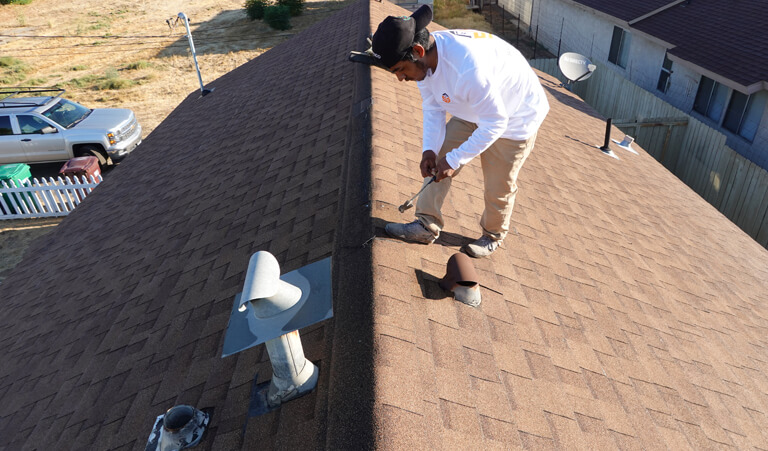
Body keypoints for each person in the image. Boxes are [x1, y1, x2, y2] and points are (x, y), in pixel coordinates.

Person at [371, 5, 549, 258]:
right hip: (475, 108)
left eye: (400, 70)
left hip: (514, 117)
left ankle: (492, 234)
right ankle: (425, 225)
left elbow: (495, 123)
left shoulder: (467, 69)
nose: (401, 78)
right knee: (438, 158)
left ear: (418, 51)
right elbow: (433, 108)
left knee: (498, 183)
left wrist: (454, 160)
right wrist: (429, 150)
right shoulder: (423, 64)